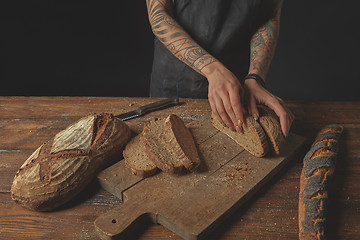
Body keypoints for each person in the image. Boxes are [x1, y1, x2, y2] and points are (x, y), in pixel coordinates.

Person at [145, 0, 294, 136]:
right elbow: (159, 15)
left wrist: (255, 77)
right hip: (174, 89)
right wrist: (213, 70)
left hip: (236, 92)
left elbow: (268, 17)